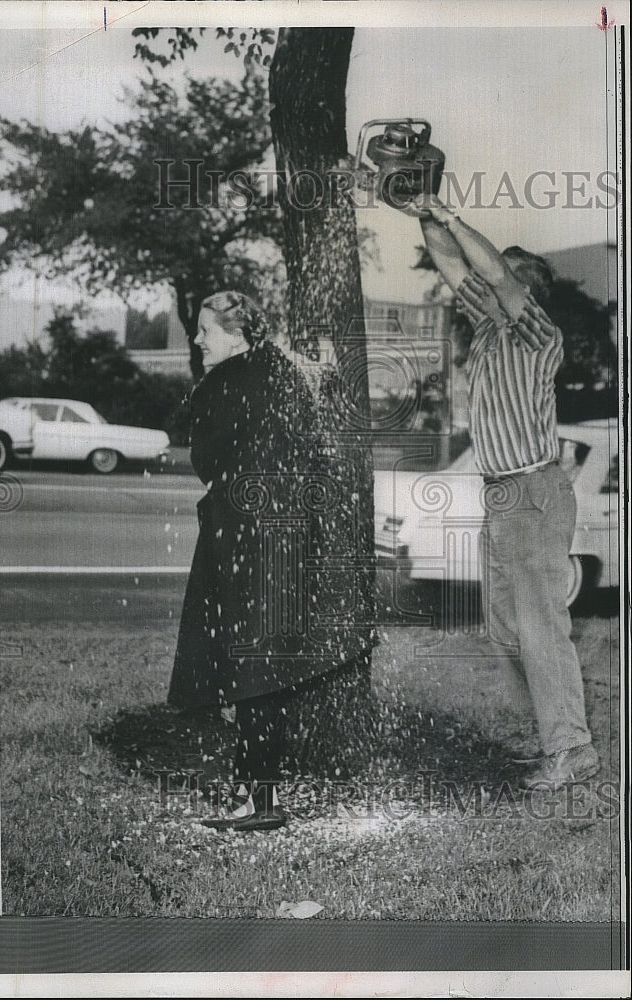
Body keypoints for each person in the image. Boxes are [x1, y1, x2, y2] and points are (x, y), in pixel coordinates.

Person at [410, 192, 599, 792]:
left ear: (524, 291)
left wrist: (451, 216)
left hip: (535, 491)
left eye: (502, 280)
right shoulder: (490, 333)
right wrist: (421, 211)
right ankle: (553, 733)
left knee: (542, 628)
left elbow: (486, 267)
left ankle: (571, 749)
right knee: (505, 629)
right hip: (501, 496)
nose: (487, 287)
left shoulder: (537, 332)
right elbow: (451, 264)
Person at [167, 291, 370, 831]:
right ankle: (263, 790)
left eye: (206, 331)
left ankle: (259, 802)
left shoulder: (223, 381)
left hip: (242, 539)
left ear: (234, 336)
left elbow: (206, 459)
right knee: (270, 665)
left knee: (248, 667)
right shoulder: (287, 373)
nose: (198, 339)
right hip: (291, 536)